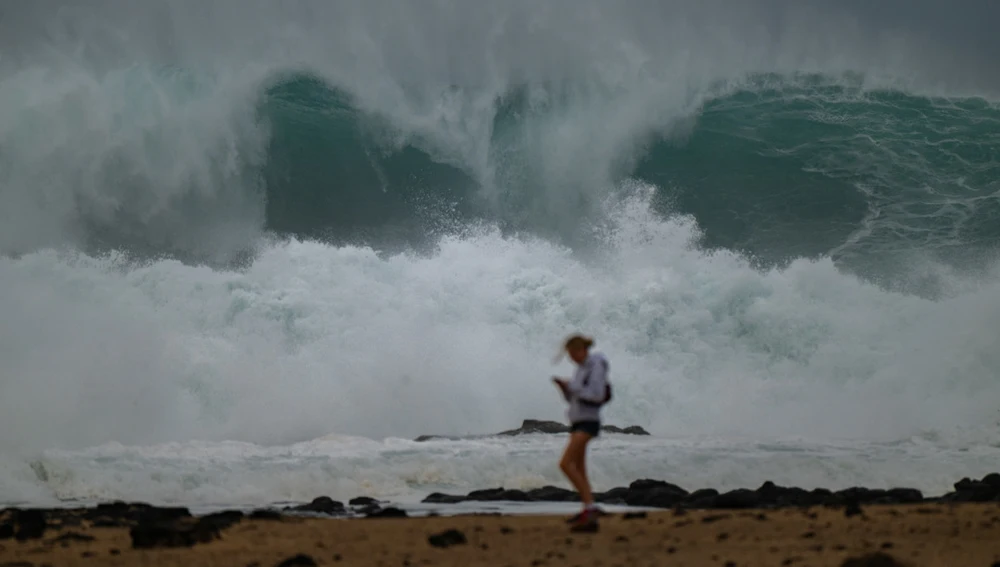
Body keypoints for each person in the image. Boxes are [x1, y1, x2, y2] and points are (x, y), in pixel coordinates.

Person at [552, 333, 612, 532]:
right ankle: (587, 507)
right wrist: (565, 389)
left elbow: (596, 395)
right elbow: (574, 399)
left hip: (588, 421)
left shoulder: (596, 365)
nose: (571, 358)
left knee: (565, 464)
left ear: (581, 350)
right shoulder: (581, 368)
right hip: (578, 420)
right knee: (579, 468)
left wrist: (573, 387)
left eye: (572, 353)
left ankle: (591, 507)